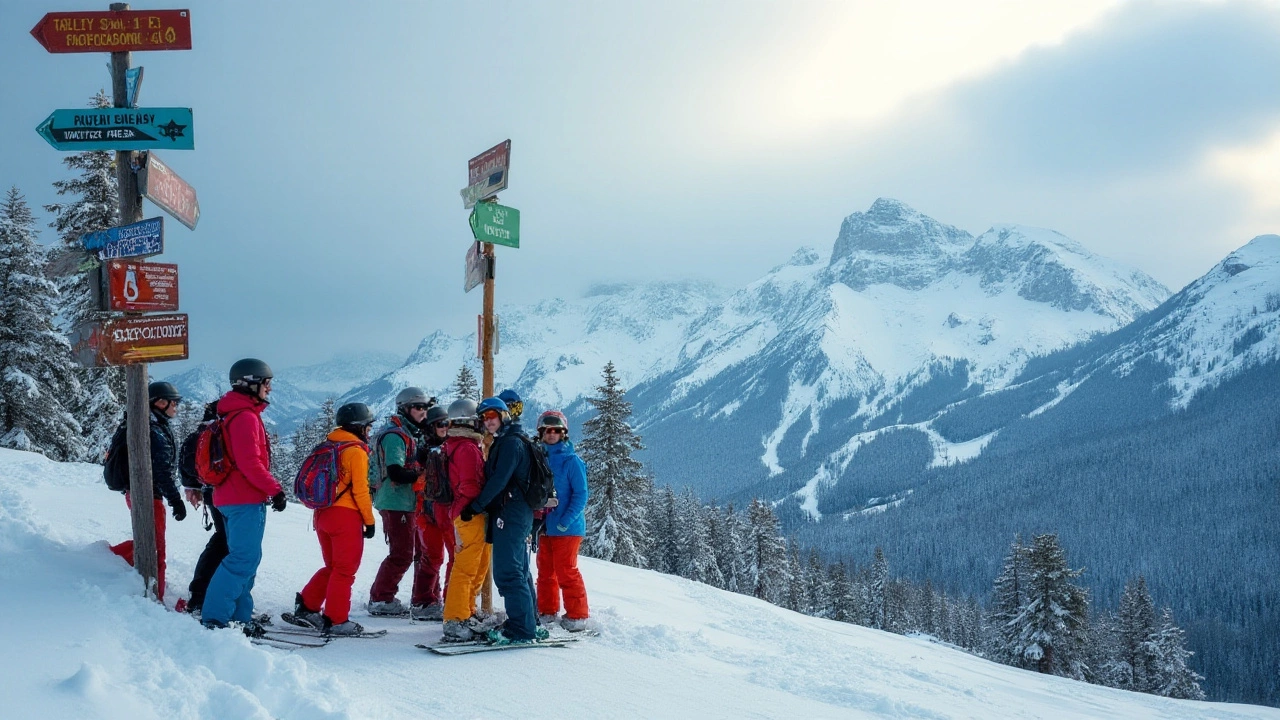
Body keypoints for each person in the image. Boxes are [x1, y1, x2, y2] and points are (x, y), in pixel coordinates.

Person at [201, 358, 286, 634]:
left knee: (247, 558)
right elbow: (250, 463)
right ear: (251, 383)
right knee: (242, 559)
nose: (269, 389)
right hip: (242, 498)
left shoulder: (237, 413)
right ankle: (216, 619)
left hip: (234, 497)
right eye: (267, 383)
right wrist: (275, 489)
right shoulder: (245, 417)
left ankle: (239, 617)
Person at [292, 403, 378, 636]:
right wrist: (369, 521)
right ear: (359, 427)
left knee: (332, 567)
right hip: (345, 517)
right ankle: (337, 619)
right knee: (344, 570)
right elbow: (361, 491)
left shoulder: (329, 445)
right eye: (368, 427)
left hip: (322, 514)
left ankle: (308, 606)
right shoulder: (356, 452)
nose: (369, 432)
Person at [467, 396, 544, 645]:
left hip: (510, 514)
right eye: (484, 417)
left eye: (492, 416)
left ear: (503, 416)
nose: (488, 421)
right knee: (519, 571)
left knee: (509, 573)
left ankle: (521, 629)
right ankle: (529, 622)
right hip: (516, 513)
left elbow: (500, 479)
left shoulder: (510, 443)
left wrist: (476, 506)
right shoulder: (513, 439)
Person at [109, 381, 187, 602]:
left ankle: (109, 561)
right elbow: (162, 471)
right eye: (174, 403)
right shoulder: (153, 430)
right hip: (147, 496)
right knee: (155, 549)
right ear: (160, 403)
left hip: (138, 493)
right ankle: (156, 597)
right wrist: (175, 500)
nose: (176, 408)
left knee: (148, 542)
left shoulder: (148, 425)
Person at [367, 387, 438, 617]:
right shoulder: (395, 436)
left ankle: (383, 596)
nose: (423, 412)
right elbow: (396, 471)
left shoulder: (408, 433)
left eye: (426, 407)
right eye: (419, 407)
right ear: (405, 409)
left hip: (404, 501)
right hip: (396, 501)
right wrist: (422, 474)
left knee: (408, 551)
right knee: (402, 553)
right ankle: (381, 598)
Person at [439, 399, 494, 643]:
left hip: (463, 512)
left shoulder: (454, 444)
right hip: (469, 513)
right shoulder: (467, 448)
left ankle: (466, 611)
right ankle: (456, 619)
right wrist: (482, 502)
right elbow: (471, 485)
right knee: (466, 567)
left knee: (475, 565)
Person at [533, 410, 591, 632]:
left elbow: (581, 494)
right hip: (545, 526)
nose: (551, 434)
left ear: (563, 433)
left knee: (566, 570)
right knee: (545, 571)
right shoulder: (539, 458)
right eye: (547, 430)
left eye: (556, 430)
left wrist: (566, 520)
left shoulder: (571, 461)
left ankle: (577, 615)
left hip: (567, 528)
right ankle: (546, 611)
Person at [177, 401, 223, 617]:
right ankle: (205, 595)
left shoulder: (198, 434)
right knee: (226, 542)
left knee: (221, 539)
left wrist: (197, 485)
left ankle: (201, 593)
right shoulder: (218, 433)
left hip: (209, 492)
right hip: (223, 494)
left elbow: (185, 464)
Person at [411, 404, 453, 621]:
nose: (445, 428)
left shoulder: (451, 447)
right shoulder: (425, 450)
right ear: (431, 427)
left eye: (448, 423)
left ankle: (449, 600)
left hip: (444, 509)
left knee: (451, 556)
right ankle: (424, 601)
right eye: (440, 424)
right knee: (433, 556)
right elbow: (417, 480)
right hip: (429, 511)